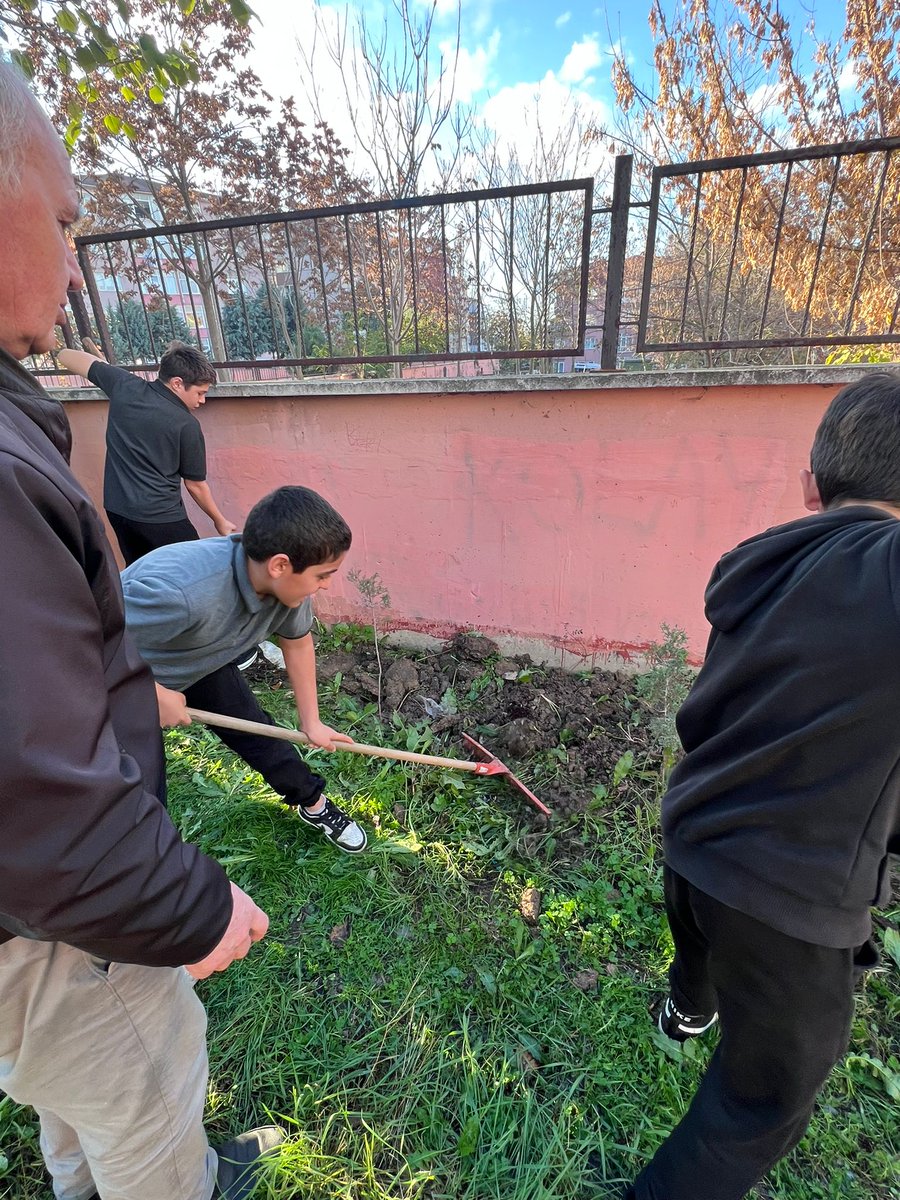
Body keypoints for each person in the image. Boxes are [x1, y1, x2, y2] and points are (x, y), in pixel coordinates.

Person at [0, 59, 282, 1200]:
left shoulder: (106, 390)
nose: (76, 263)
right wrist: (190, 901)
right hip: (57, 933)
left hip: (129, 535)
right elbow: (30, 777)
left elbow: (51, 642)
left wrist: (122, 675)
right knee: (146, 1097)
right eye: (65, 222)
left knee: (72, 1104)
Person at [626, 372, 900, 1200]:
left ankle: (687, 1011)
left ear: (811, 486)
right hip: (791, 898)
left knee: (701, 943)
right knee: (757, 1107)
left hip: (696, 831)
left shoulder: (761, 562)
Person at [122, 485, 368, 855]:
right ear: (280, 565)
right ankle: (149, 865)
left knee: (262, 734)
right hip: (121, 677)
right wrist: (149, 694)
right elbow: (84, 644)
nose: (327, 584)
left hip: (200, 658)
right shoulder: (178, 593)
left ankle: (312, 801)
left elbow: (297, 643)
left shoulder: (289, 590)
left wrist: (311, 722)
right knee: (137, 784)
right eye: (323, 575)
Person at [57, 340, 236, 564]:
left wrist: (105, 369)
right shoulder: (186, 425)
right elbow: (195, 485)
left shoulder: (124, 385)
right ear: (177, 383)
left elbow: (64, 355)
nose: (203, 400)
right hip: (162, 519)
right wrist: (219, 520)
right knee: (191, 571)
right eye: (200, 393)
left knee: (143, 574)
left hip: (118, 511)